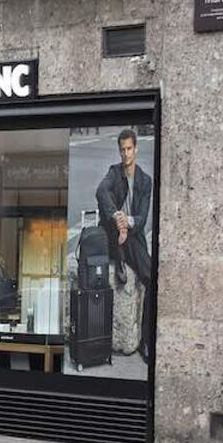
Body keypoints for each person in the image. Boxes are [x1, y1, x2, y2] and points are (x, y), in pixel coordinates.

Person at [95, 128, 155, 361]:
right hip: (113, 233)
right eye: (122, 150)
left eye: (129, 149)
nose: (126, 154)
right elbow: (101, 191)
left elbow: (141, 219)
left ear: (136, 149)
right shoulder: (114, 172)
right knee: (105, 196)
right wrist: (117, 220)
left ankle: (146, 342)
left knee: (151, 279)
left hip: (132, 237)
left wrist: (126, 223)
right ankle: (118, 255)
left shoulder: (145, 181)